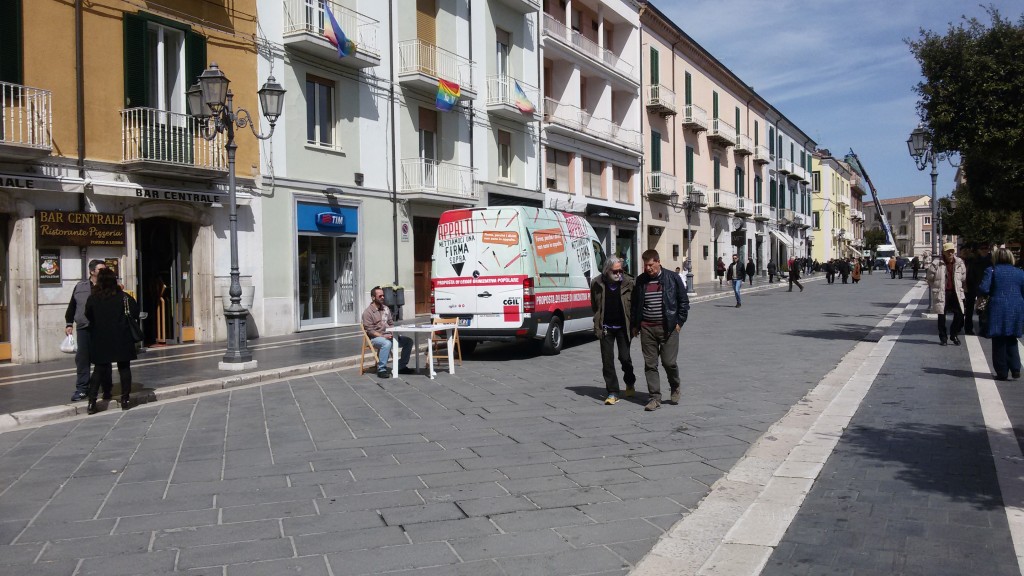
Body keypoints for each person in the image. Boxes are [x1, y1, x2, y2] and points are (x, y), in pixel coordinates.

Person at [631, 249, 689, 411]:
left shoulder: (672, 278)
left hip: (668, 327)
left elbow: (684, 302)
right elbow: (636, 304)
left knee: (669, 362)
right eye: (645, 265)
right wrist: (635, 325)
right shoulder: (641, 280)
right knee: (650, 364)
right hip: (647, 328)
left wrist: (679, 323)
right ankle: (654, 397)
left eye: (651, 265)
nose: (648, 268)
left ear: (658, 262)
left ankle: (675, 385)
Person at [84, 268, 139, 414]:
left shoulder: (93, 298)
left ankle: (91, 402)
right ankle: (125, 400)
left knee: (99, 370)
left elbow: (88, 315)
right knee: (124, 368)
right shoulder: (123, 297)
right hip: (122, 337)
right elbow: (135, 312)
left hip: (101, 338)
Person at [591, 256, 636, 405]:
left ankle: (630, 381)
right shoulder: (596, 283)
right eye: (615, 271)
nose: (619, 274)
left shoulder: (629, 283)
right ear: (606, 271)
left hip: (623, 328)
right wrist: (598, 321)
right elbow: (595, 306)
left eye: (621, 271)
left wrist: (635, 325)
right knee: (607, 361)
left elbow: (635, 305)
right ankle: (613, 392)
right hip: (606, 329)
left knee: (625, 358)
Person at [978, 246, 1024, 380]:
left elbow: (984, 288)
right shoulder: (1020, 272)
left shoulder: (991, 270)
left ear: (995, 258)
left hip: (998, 307)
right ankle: (1016, 368)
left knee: (998, 339)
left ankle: (1002, 371)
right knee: (1012, 337)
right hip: (1016, 307)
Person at [65, 259, 106, 402]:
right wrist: (69, 323)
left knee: (103, 358)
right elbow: (72, 306)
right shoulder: (80, 287)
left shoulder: (108, 286)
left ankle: (106, 387)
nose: (103, 272)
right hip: (84, 328)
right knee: (83, 359)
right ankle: (82, 389)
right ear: (92, 271)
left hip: (102, 329)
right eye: (101, 269)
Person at [362, 286, 413, 378]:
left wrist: (394, 332)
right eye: (380, 296)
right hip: (375, 338)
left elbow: (391, 323)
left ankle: (401, 366)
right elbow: (370, 331)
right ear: (373, 298)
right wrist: (382, 336)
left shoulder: (386, 308)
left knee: (408, 341)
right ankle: (381, 369)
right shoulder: (368, 312)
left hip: (389, 335)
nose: (383, 297)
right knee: (386, 343)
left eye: (383, 296)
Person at [926, 242, 966, 346]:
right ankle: (943, 338)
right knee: (941, 316)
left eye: (952, 251)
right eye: (948, 251)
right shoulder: (936, 263)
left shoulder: (959, 263)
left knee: (960, 314)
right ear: (944, 252)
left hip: (955, 292)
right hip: (942, 292)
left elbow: (963, 276)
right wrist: (936, 287)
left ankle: (953, 334)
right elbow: (930, 278)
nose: (950, 253)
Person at [964, 244, 990, 336]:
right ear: (978, 250)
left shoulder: (991, 260)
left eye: (986, 248)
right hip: (972, 286)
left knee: (983, 308)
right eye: (982, 248)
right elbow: (969, 274)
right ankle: (968, 328)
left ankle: (983, 329)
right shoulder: (973, 260)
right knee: (970, 309)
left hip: (984, 287)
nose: (984, 250)